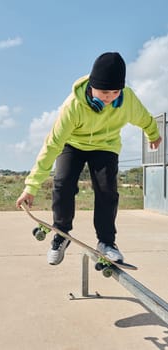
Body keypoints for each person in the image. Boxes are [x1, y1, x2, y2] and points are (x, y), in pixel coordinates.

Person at [16, 52, 162, 265]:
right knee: (63, 183)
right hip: (73, 144)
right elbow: (52, 145)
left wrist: (154, 134)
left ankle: (106, 242)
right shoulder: (73, 106)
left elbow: (145, 118)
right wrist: (31, 187)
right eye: (104, 92)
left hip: (106, 145)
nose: (109, 98)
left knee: (107, 190)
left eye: (114, 92)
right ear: (92, 86)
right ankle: (61, 234)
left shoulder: (127, 100)